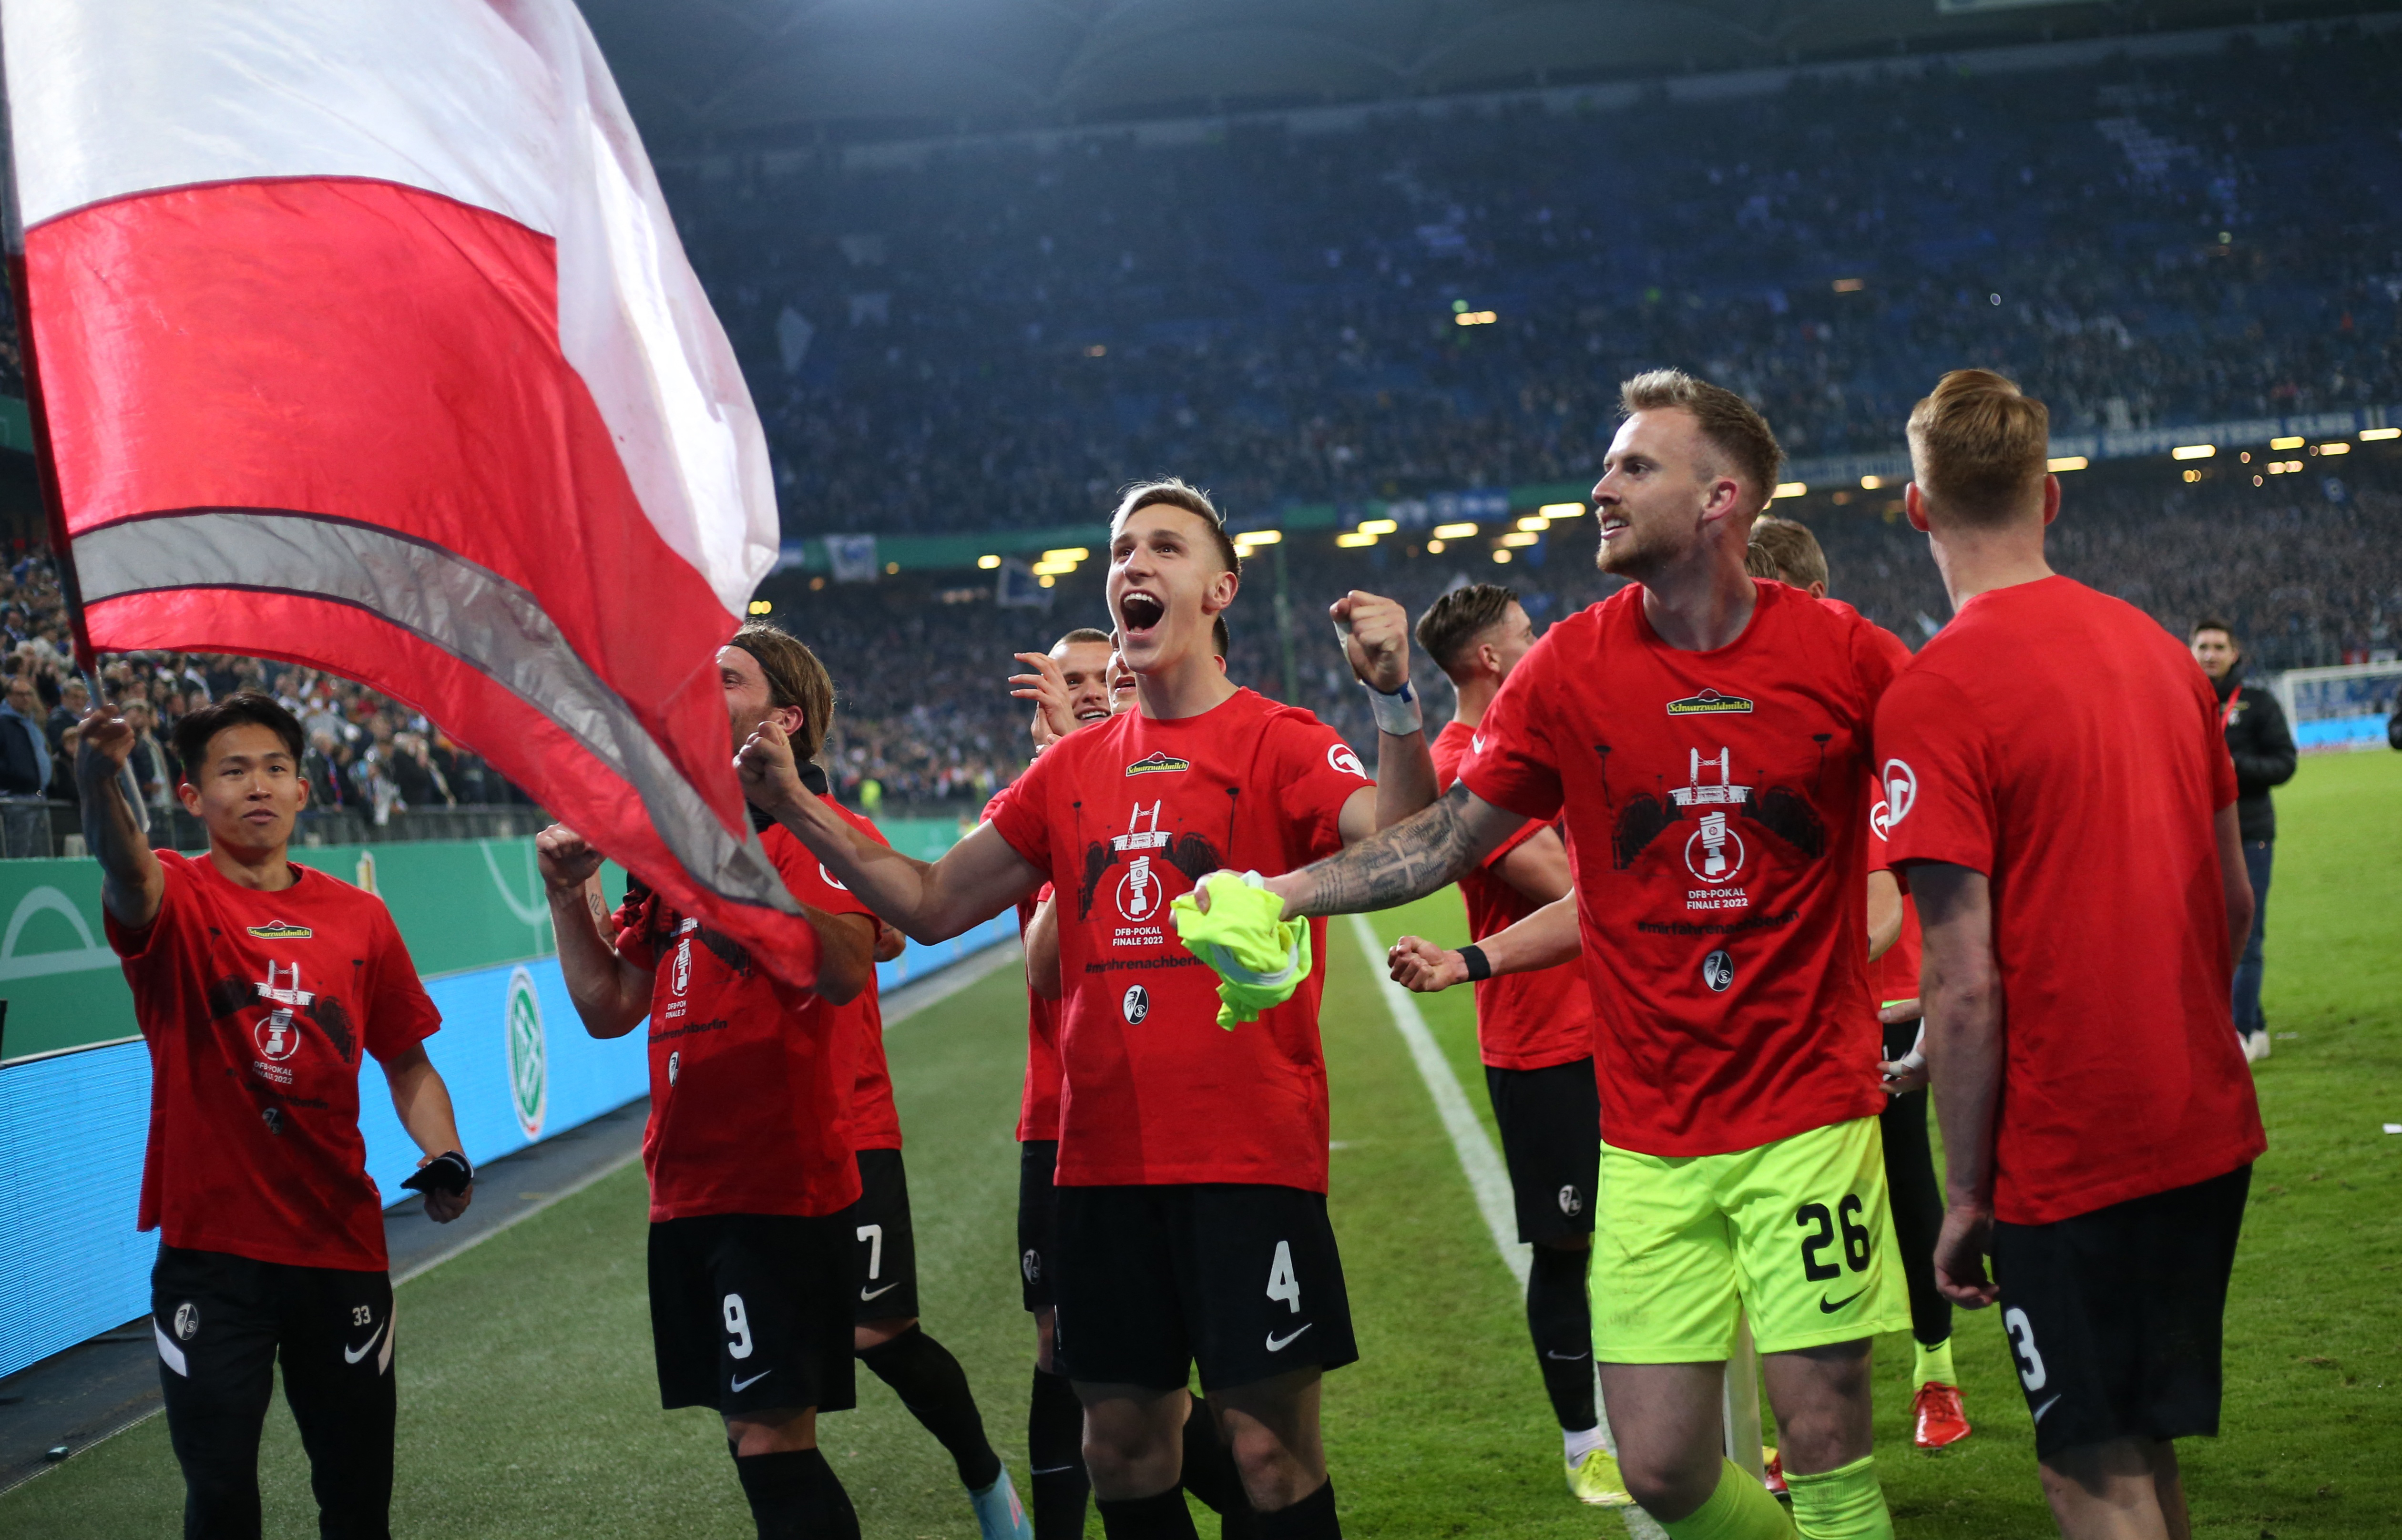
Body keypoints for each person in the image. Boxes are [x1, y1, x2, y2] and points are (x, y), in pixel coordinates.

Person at [1207, 372, 1915, 1540]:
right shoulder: (1567, 667)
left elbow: (1939, 833)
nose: (1600, 485)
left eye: (1635, 465)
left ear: (1719, 498)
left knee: (1826, 1437)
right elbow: (1443, 839)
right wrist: (1276, 892)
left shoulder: (1846, 656)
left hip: (1807, 1115)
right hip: (1643, 1134)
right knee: (1661, 1470)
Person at [748, 479, 1439, 1540]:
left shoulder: (1279, 738)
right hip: (1101, 1166)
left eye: (1164, 547)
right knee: (1117, 1453)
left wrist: (1392, 701)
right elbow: (931, 902)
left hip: (1246, 1159)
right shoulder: (1067, 770)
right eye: (1120, 550)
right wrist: (797, 801)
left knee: (1266, 1452)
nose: (1133, 566)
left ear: (1220, 590)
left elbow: (1402, 842)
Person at [1877, 370, 2265, 1540]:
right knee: (2139, 1440)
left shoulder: (1932, 692)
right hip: (2199, 1116)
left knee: (2085, 1467)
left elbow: (1958, 979)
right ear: (2047, 498)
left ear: (1913, 507)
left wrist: (1960, 1193)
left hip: (2067, 1142)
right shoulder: (2158, 652)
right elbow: (2230, 899)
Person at [83, 690, 473, 1539]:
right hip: (211, 1264)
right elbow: (123, 869)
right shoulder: (175, 897)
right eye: (233, 771)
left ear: (304, 790)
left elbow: (407, 1061)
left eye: (275, 769)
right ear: (191, 797)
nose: (257, 786)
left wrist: (446, 1154)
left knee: (358, 1501)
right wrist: (97, 777)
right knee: (220, 1498)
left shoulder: (361, 916)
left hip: (341, 1250)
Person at [537, 625, 880, 1540]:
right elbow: (611, 1006)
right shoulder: (665, 856)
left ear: (784, 718)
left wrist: (735, 880)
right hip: (685, 1191)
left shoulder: (827, 835)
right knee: (751, 1439)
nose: (696, 693)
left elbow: (847, 965)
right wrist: (568, 897)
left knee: (773, 1445)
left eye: (724, 680)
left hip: (778, 1187)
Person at [1385, 582, 1631, 1508]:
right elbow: (1567, 880)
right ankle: (1583, 1444)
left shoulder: (1541, 743)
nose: (1540, 643)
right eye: (1526, 634)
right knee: (1565, 1245)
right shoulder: (1459, 763)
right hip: (1543, 1039)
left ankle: (1667, 1424)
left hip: (1618, 1025)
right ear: (1489, 658)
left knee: (1649, 1232)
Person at [799, 631, 1032, 1540]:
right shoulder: (698, 842)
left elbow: (892, 930)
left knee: (876, 1337)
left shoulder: (836, 830)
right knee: (778, 1386)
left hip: (848, 1124)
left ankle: (982, 1475)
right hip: (751, 1152)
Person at [1745, 520, 1970, 1454]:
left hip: (1874, 1009)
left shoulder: (1856, 697)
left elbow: (1881, 899)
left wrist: (1792, 969)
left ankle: (1932, 1376)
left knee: (1902, 1191)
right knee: (1787, 1212)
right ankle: (1797, 1418)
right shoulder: (1751, 705)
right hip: (1788, 1010)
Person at [2188, 618, 2295, 1064]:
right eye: (2202, 646)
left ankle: (2240, 1030)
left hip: (2249, 835)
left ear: (2235, 654)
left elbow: (2284, 763)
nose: (2210, 654)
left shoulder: (2258, 703)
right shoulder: (2178, 702)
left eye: (2218, 646)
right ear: (2189, 652)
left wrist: (2231, 766)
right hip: (2192, 839)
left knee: (2245, 933)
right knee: (2204, 937)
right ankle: (2255, 1023)